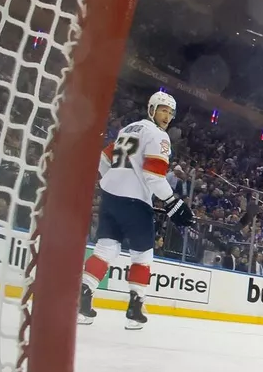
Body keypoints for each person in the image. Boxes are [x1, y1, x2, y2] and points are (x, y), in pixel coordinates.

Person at [83, 91, 193, 330]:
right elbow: (153, 176)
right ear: (152, 109)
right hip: (135, 202)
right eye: (163, 110)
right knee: (142, 255)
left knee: (106, 249)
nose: (168, 116)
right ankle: (134, 309)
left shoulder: (128, 130)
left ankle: (83, 297)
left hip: (111, 198)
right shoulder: (158, 136)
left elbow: (103, 159)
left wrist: (116, 179)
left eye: (171, 112)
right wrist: (173, 202)